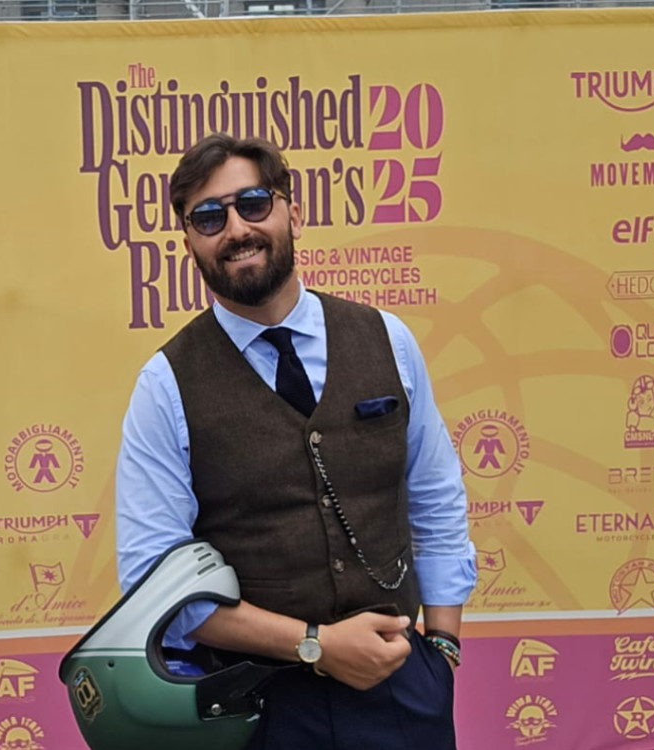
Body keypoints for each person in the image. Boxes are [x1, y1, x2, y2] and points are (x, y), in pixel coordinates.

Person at [116, 133, 477, 750]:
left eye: (253, 203)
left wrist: (441, 649)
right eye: (209, 217)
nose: (236, 229)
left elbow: (436, 498)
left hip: (400, 691)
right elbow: (156, 582)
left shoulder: (387, 340)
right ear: (189, 242)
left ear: (293, 214)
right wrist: (315, 645)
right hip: (253, 709)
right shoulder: (165, 384)